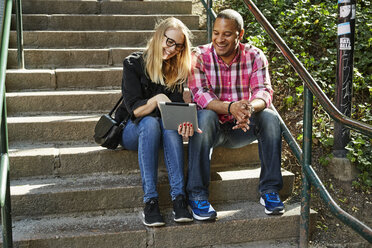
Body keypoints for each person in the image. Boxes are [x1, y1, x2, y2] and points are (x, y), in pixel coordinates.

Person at [186, 9, 284, 220]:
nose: (219, 39)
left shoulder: (254, 55)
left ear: (240, 34)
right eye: (215, 33)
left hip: (243, 126)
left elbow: (264, 92)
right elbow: (200, 95)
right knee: (204, 115)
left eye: (227, 34)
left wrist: (248, 108)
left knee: (270, 118)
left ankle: (270, 190)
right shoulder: (199, 56)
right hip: (213, 129)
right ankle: (196, 196)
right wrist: (231, 107)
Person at [115, 17, 199, 227]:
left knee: (170, 128)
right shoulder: (133, 63)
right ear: (158, 36)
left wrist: (185, 126)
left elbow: (175, 112)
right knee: (150, 124)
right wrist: (156, 99)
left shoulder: (176, 70)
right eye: (169, 41)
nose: (172, 49)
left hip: (163, 130)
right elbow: (135, 111)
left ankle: (179, 198)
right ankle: (150, 201)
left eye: (178, 46)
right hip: (132, 130)